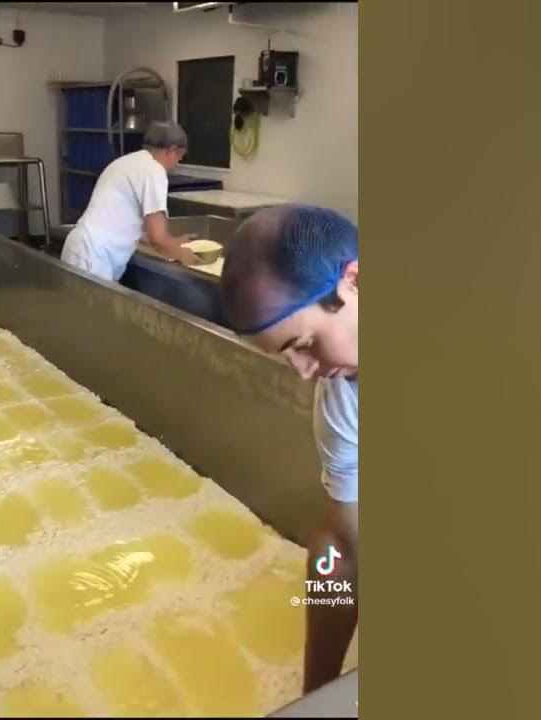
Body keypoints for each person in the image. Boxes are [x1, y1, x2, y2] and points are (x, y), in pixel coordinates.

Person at [219, 204, 359, 693]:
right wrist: (318, 695)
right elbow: (343, 544)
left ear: (354, 283)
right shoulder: (342, 399)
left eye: (304, 342)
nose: (302, 371)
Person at [60, 121, 199, 282]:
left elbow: (134, 228)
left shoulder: (129, 162)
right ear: (172, 150)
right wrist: (182, 255)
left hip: (81, 249)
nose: (176, 165)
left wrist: (175, 243)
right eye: (180, 158)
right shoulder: (154, 171)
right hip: (94, 257)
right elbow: (157, 238)